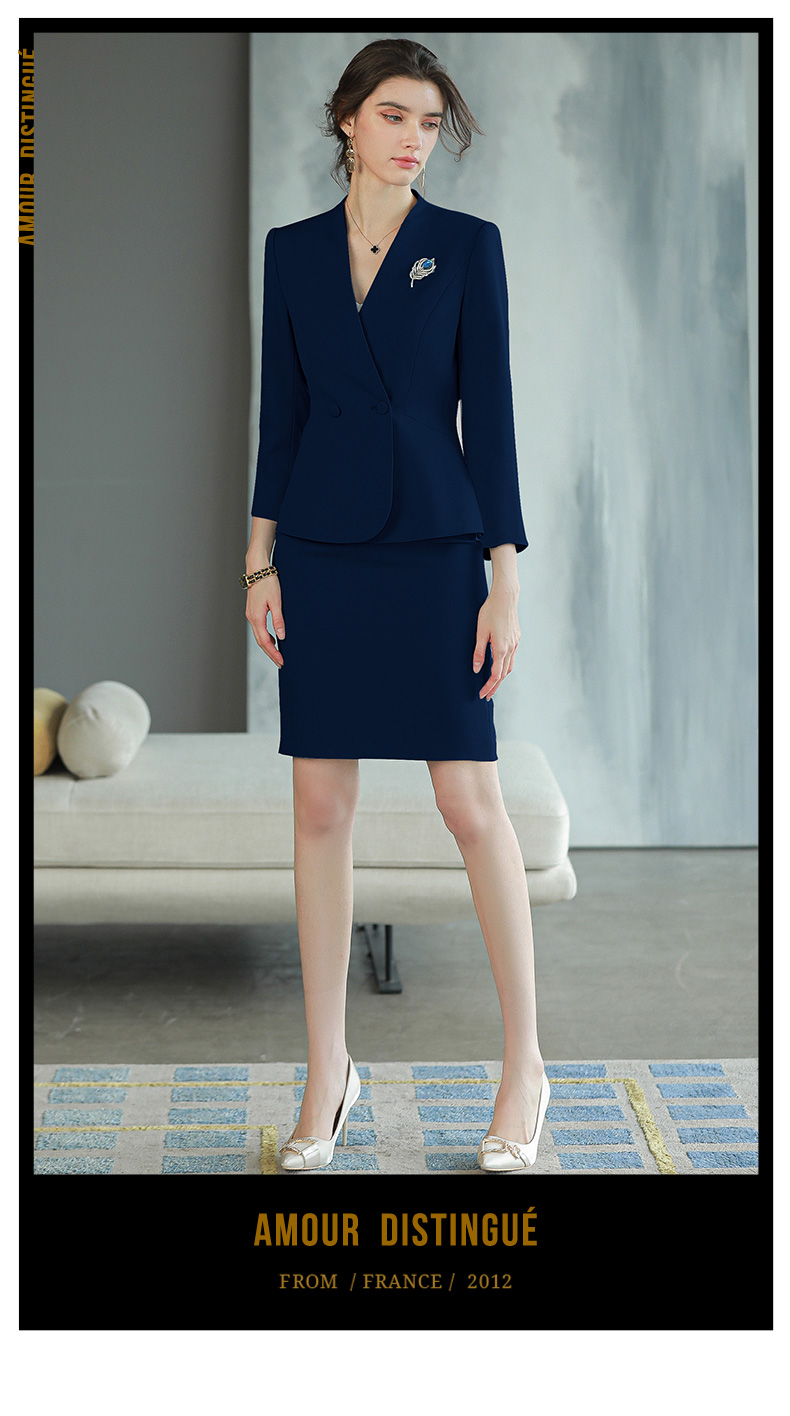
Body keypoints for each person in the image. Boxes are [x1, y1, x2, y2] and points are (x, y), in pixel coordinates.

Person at [243, 37, 550, 1173]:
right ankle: (327, 1069)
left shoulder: (467, 247)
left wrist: (504, 580)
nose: (414, 139)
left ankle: (525, 1065)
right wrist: (259, 561)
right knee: (320, 807)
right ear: (347, 122)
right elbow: (280, 417)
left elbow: (492, 418)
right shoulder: (292, 252)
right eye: (393, 116)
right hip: (322, 550)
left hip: (433, 548)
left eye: (429, 122)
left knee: (470, 802)